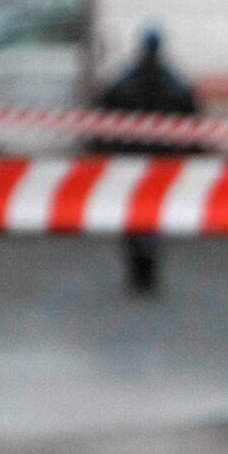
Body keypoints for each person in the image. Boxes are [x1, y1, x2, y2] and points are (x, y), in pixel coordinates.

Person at [92, 27, 202, 296]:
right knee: (155, 215)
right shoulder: (173, 81)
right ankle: (148, 269)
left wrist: (101, 150)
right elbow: (193, 120)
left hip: (129, 159)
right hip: (161, 161)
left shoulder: (124, 80)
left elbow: (103, 120)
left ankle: (137, 270)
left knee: (132, 215)